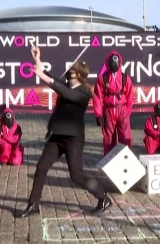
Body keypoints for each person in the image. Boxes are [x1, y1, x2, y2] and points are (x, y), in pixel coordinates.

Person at [17, 46, 112, 218]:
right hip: (57, 136)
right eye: (70, 71)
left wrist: (44, 78)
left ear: (80, 75)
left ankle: (103, 197)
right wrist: (38, 58)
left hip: (73, 139)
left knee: (76, 175)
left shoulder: (84, 92)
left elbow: (66, 93)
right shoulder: (66, 84)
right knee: (41, 167)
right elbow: (49, 75)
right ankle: (33, 204)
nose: (69, 73)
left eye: (73, 72)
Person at [93, 51, 134, 155]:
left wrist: (127, 112)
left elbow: (130, 96)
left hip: (122, 109)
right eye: (112, 62)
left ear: (120, 63)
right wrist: (98, 114)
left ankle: (126, 159)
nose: (114, 64)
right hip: (108, 110)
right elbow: (97, 96)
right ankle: (108, 160)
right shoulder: (103, 78)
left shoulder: (125, 78)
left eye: (116, 62)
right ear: (108, 63)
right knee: (108, 138)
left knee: (125, 136)